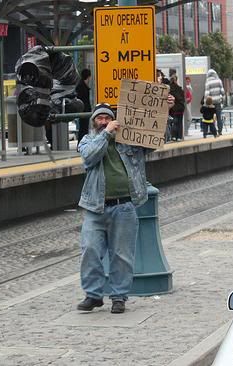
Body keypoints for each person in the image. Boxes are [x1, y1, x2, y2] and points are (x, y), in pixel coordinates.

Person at [77, 103, 150, 314]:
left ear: (114, 120)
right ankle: (93, 295)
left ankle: (119, 296)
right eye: (99, 119)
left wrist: (167, 111)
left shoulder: (128, 140)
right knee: (89, 249)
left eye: (107, 118)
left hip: (124, 206)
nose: (103, 122)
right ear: (94, 122)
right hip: (95, 207)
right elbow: (90, 157)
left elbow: (154, 140)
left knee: (122, 255)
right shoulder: (88, 140)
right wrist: (106, 135)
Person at [204, 69, 225, 135]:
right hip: (218, 102)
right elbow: (222, 92)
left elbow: (207, 93)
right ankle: (220, 131)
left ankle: (213, 130)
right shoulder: (219, 81)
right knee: (219, 117)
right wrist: (222, 101)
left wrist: (206, 103)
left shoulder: (208, 82)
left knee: (211, 117)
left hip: (211, 103)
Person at [75, 68, 92, 144]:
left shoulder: (82, 85)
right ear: (88, 76)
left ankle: (82, 144)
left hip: (85, 110)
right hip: (83, 110)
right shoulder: (81, 86)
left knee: (84, 128)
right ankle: (81, 144)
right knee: (83, 128)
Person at [168, 75, 185, 141]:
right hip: (180, 108)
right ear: (176, 80)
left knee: (174, 122)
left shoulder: (170, 89)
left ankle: (173, 136)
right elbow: (183, 99)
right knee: (180, 123)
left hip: (174, 108)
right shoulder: (180, 89)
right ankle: (179, 137)